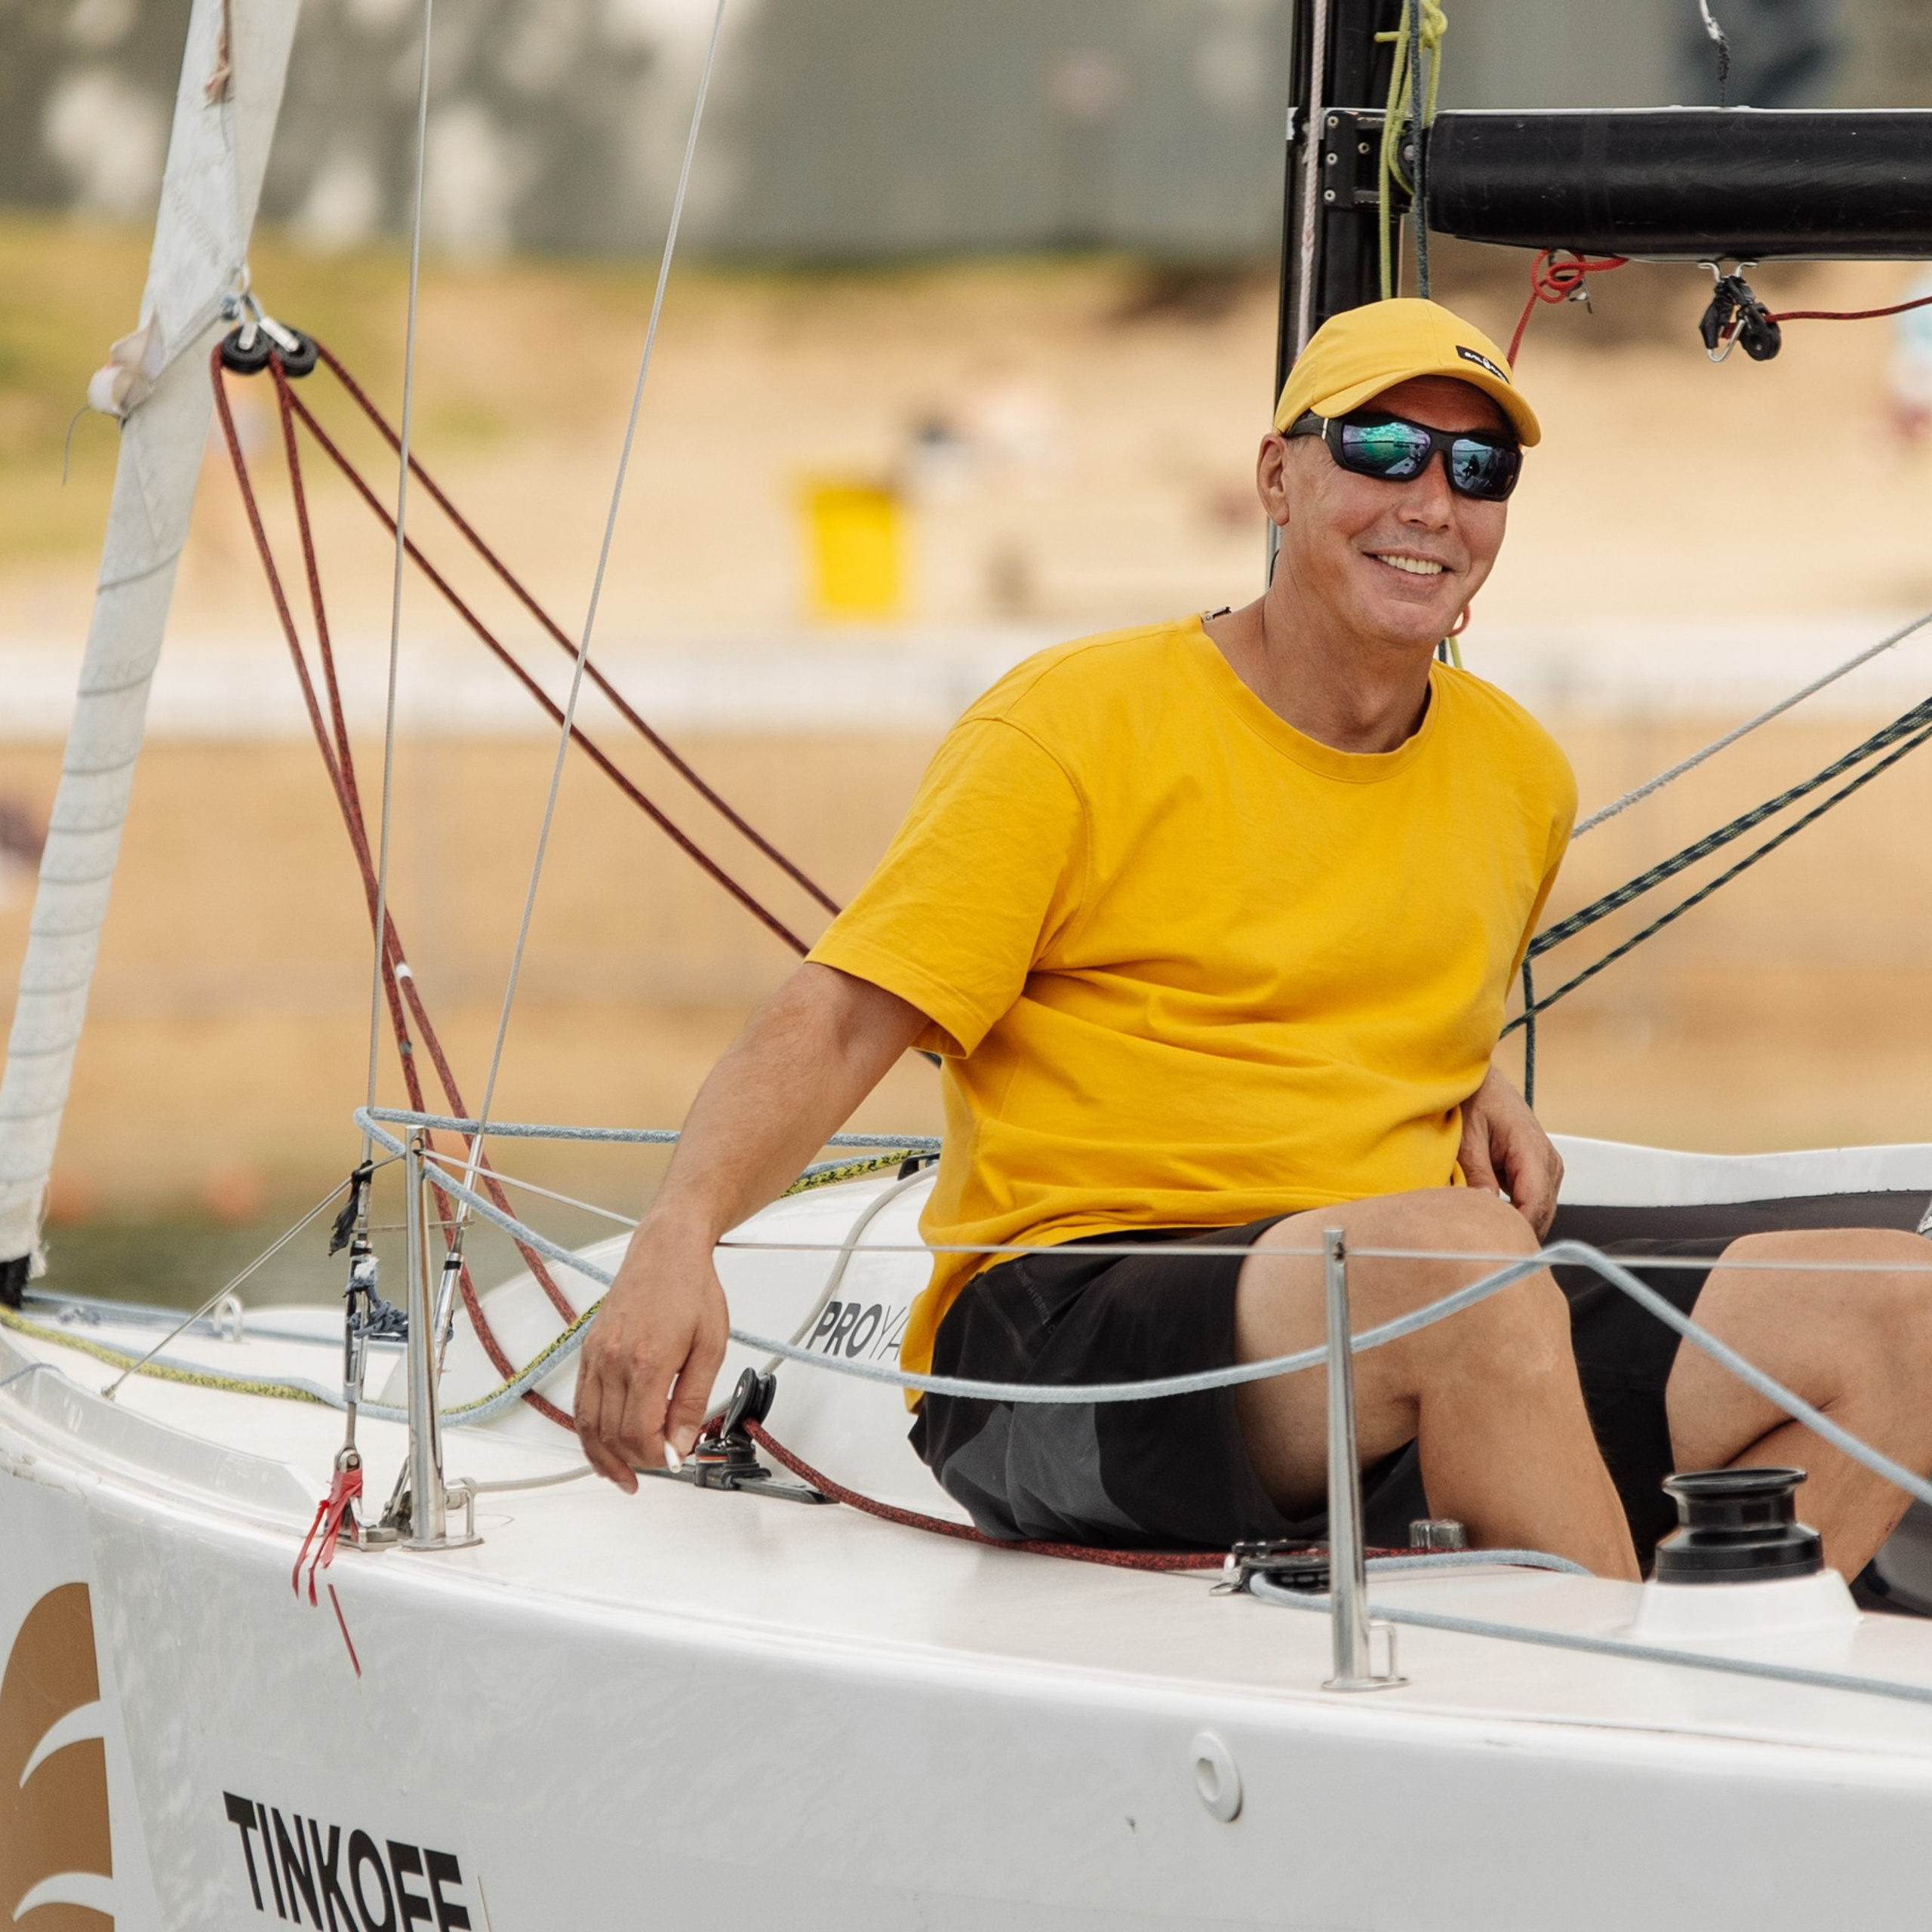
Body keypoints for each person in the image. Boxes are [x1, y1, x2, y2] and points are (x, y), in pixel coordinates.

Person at [575, 297, 1932, 1583]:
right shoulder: (1070, 727)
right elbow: (840, 1017)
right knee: (1460, 1264)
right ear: (1277, 478)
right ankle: (1636, 1715)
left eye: (1478, 468)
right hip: (1063, 1331)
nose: (1432, 500)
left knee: (1899, 1308)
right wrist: (681, 1233)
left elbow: (1347, 976)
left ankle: (1733, 1690)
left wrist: (1472, 1079)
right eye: (1384, 448)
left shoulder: (1520, 777)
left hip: (1395, 1307)